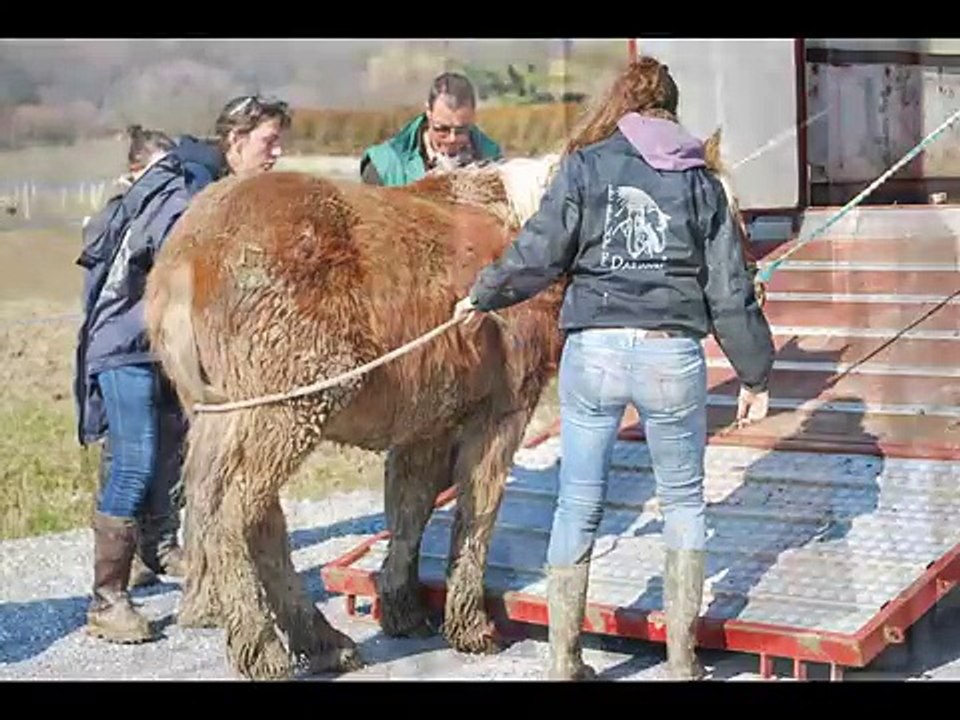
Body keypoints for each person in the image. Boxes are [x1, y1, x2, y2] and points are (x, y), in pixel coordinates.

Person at [452, 57, 774, 680]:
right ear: (672, 110)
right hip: (669, 355)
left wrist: (483, 294)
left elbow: (539, 250)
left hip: (593, 351)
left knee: (577, 502)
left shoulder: (586, 164)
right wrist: (755, 374)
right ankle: (682, 662)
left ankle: (564, 660)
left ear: (621, 106)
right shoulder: (700, 179)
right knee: (683, 503)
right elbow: (729, 288)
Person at [74, 95, 292, 644]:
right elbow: (178, 256)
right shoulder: (186, 184)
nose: (278, 152)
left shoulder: (209, 180)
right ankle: (106, 600)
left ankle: (152, 552)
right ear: (235, 140)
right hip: (127, 339)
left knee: (174, 451)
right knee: (136, 459)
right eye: (269, 141)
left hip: (165, 342)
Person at [360, 71, 502, 186]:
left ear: (473, 116)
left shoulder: (493, 161)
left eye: (461, 130)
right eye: (442, 129)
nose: (452, 139)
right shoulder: (384, 167)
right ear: (429, 112)